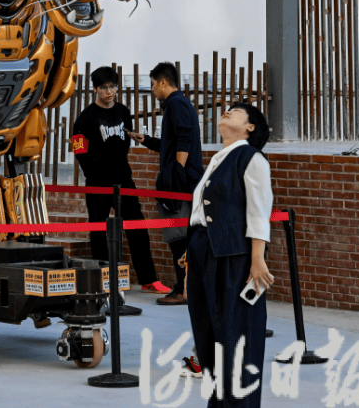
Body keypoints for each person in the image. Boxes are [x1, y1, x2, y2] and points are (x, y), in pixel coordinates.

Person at [184, 103, 274, 407]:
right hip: (203, 251)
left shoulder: (251, 158)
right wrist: (191, 251)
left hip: (234, 256)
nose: (226, 112)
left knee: (237, 337)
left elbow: (259, 213)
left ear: (250, 127)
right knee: (208, 338)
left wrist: (257, 260)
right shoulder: (218, 158)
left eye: (235, 111)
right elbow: (203, 211)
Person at [71, 66, 170, 294]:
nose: (109, 92)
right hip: (98, 182)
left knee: (137, 227)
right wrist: (93, 174)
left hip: (124, 180)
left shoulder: (123, 112)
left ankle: (148, 279)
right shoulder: (85, 118)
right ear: (95, 89)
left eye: (113, 87)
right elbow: (79, 150)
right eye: (104, 88)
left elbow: (124, 143)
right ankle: (104, 279)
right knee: (98, 231)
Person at [129, 62, 204, 305]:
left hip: (181, 183)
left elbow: (184, 136)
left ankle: (183, 290)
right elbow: (172, 143)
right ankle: (187, 287)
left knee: (178, 236)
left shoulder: (176, 103)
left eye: (152, 84)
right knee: (181, 237)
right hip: (182, 179)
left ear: (162, 82)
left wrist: (177, 172)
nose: (152, 90)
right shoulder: (177, 104)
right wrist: (147, 140)